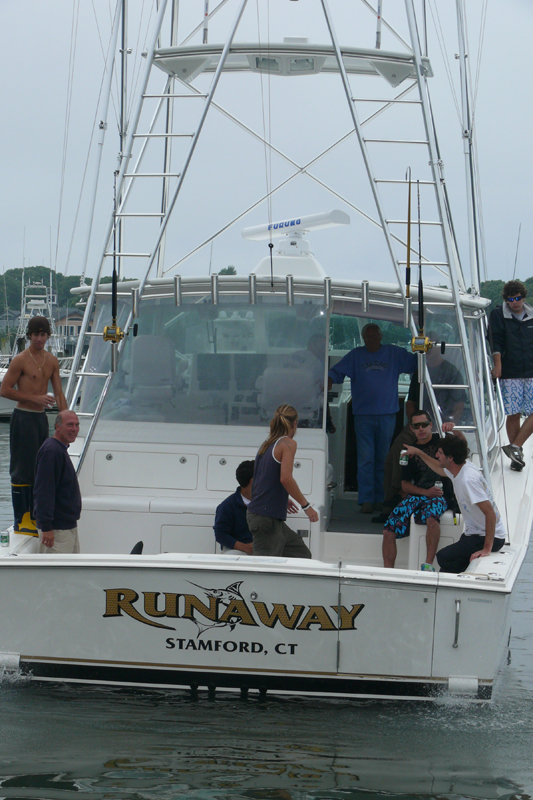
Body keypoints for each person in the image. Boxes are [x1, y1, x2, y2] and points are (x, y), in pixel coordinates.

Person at [328, 322, 416, 513]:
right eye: (368, 336)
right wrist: (327, 379)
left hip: (387, 415)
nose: (371, 339)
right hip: (363, 416)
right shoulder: (355, 356)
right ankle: (366, 500)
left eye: (374, 336)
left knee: (384, 459)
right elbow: (336, 371)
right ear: (363, 338)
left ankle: (382, 498)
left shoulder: (394, 353)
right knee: (366, 459)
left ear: (381, 337)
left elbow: (417, 364)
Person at [0, 316, 67, 534]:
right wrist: (35, 398)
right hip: (23, 417)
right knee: (22, 469)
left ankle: (36, 513)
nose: (39, 338)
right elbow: (4, 390)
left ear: (48, 336)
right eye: (36, 334)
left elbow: (58, 392)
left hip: (40, 419)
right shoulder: (20, 360)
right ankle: (22, 519)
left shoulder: (52, 361)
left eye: (43, 334)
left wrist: (66, 418)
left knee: (41, 467)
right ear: (29, 336)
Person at [403, 433, 506, 573]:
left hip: (487, 537)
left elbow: (490, 513)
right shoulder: (458, 469)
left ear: (450, 458)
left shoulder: (468, 480)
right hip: (473, 533)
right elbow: (438, 468)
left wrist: (487, 549)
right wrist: (419, 453)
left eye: (439, 453)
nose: (437, 456)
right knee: (450, 561)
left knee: (443, 557)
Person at [382, 410, 458, 571]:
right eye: (417, 426)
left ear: (431, 425)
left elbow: (462, 447)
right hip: (419, 494)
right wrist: (424, 492)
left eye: (424, 425)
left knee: (431, 519)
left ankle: (428, 565)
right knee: (388, 528)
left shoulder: (443, 442)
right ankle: (387, 572)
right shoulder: (409, 451)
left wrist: (455, 429)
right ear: (412, 429)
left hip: (440, 495)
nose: (421, 429)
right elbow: (404, 485)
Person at [247, 404, 317, 557]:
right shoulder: (288, 444)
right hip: (265, 519)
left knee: (302, 555)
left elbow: (262, 479)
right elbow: (285, 478)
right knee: (265, 569)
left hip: (265, 516)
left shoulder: (267, 444)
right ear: (295, 423)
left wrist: (282, 498)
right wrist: (306, 506)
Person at [488, 280, 533, 472]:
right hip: (510, 372)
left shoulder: (531, 314)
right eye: (511, 299)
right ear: (506, 299)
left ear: (524, 297)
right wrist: (497, 365)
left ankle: (515, 446)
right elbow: (495, 341)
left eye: (518, 298)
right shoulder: (498, 315)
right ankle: (516, 456)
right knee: (514, 413)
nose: (515, 302)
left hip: (531, 369)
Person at [33, 410, 82, 554]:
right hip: (56, 530)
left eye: (77, 425)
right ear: (57, 426)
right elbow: (43, 491)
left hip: (68, 527)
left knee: (71, 574)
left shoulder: (59, 449)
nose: (74, 429)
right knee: (55, 576)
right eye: (70, 425)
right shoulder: (51, 451)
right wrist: (46, 527)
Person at [405, 335, 466, 424]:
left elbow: (459, 404)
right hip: (421, 426)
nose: (428, 348)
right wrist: (415, 424)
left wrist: (451, 424)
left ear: (439, 347)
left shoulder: (452, 372)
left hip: (444, 425)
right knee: (402, 438)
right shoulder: (419, 372)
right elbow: (410, 402)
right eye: (426, 345)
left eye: (432, 345)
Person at [214, 460, 254, 555]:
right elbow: (221, 534)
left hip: (264, 548)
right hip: (238, 550)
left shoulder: (266, 501)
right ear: (253, 481)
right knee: (233, 556)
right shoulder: (227, 506)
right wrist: (244, 547)